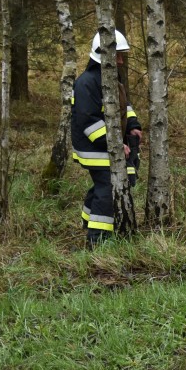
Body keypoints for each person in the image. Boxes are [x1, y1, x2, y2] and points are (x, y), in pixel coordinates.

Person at [71, 30, 143, 246]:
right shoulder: (86, 83)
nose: (121, 61)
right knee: (108, 187)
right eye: (118, 56)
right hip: (94, 148)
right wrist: (114, 145)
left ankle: (88, 220)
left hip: (108, 145)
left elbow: (123, 106)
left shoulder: (111, 80)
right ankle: (98, 239)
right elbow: (88, 121)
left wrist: (133, 126)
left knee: (104, 185)